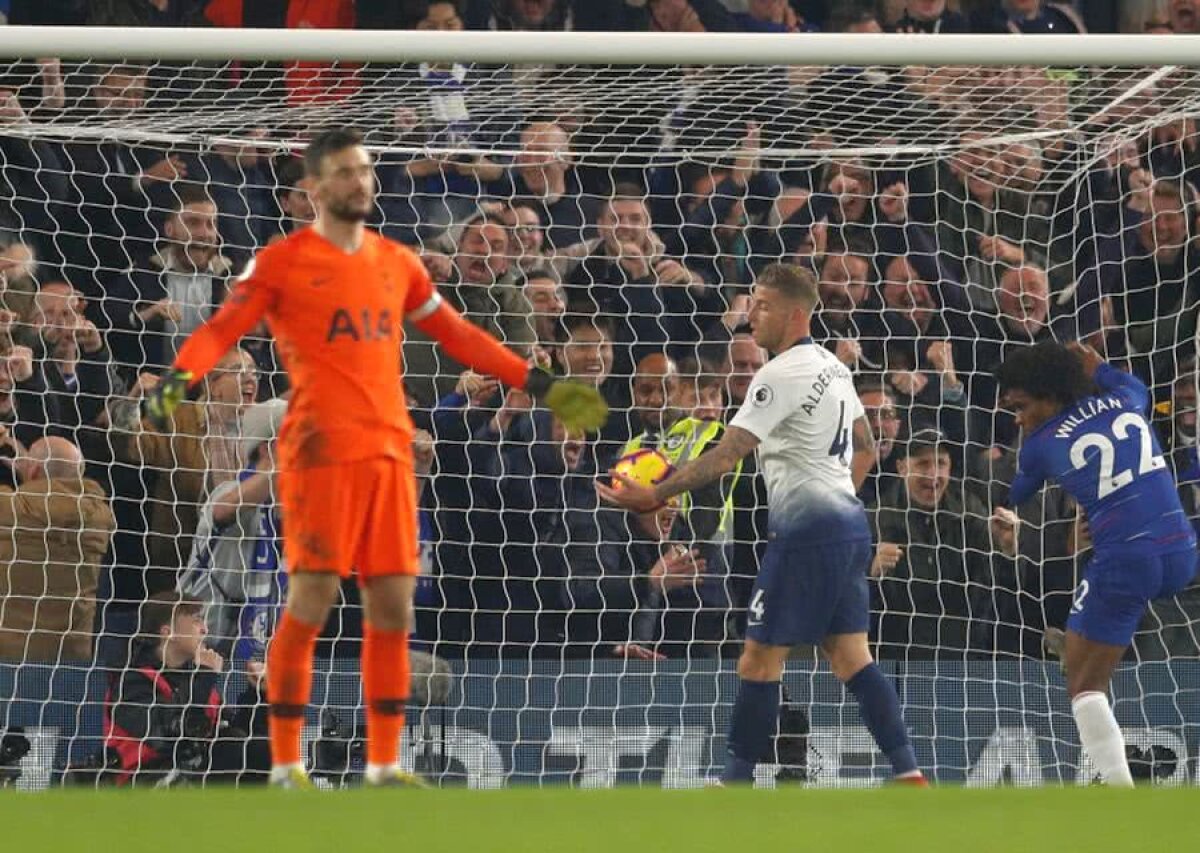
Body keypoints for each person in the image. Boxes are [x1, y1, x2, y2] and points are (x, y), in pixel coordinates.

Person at [143, 127, 606, 788]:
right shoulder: (279, 261)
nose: (361, 182)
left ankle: (385, 762)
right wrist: (170, 388)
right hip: (319, 450)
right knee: (308, 600)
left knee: (393, 607)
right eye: (346, 172)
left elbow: (462, 336)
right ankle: (283, 761)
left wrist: (544, 384)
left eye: (367, 171)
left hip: (389, 452)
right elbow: (221, 330)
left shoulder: (398, 261)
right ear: (314, 188)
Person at [599, 263, 926, 785]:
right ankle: (909, 771)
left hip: (805, 533)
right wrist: (838, 494)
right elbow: (866, 447)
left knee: (757, 659)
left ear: (795, 314)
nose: (751, 315)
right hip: (847, 526)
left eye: (763, 306)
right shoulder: (833, 368)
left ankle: (735, 780)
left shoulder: (776, 374)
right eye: (751, 303)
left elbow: (726, 456)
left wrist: (653, 494)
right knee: (849, 656)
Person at [994, 341, 1199, 786]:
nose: (1018, 417)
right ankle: (1077, 641)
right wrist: (1098, 366)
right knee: (1088, 643)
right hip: (1182, 549)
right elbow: (1121, 379)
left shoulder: (1041, 443)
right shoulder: (1128, 396)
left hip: (1127, 560)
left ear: (1049, 395)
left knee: (1084, 687)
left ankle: (1118, 792)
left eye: (1022, 405)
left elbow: (1016, 493)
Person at [0, 436, 115, 663]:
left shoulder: (9, 508)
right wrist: (31, 463)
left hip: (8, 656)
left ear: (33, 471)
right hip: (71, 659)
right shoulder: (101, 517)